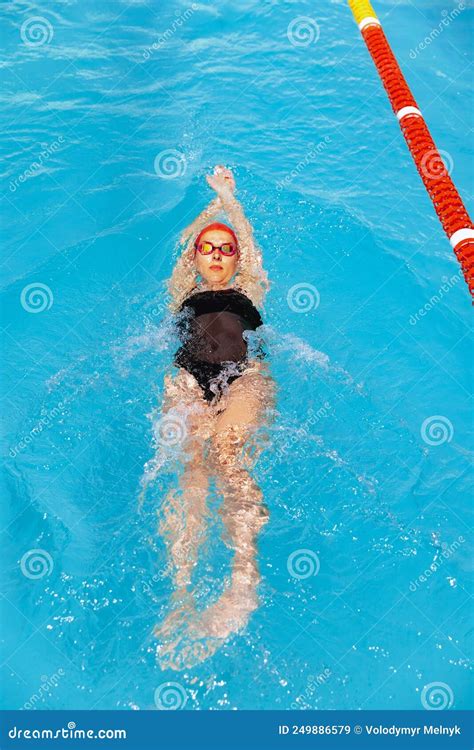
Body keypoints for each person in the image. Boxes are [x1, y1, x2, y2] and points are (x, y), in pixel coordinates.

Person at [154, 166, 275, 671]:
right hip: (187, 381)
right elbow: (185, 242)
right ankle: (181, 593)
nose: (220, 254)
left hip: (244, 379)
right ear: (196, 259)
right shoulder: (182, 285)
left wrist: (231, 200)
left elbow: (244, 238)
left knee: (228, 459)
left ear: (238, 260)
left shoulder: (252, 284)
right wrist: (211, 208)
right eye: (210, 248)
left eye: (227, 249)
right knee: (191, 470)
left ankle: (243, 582)